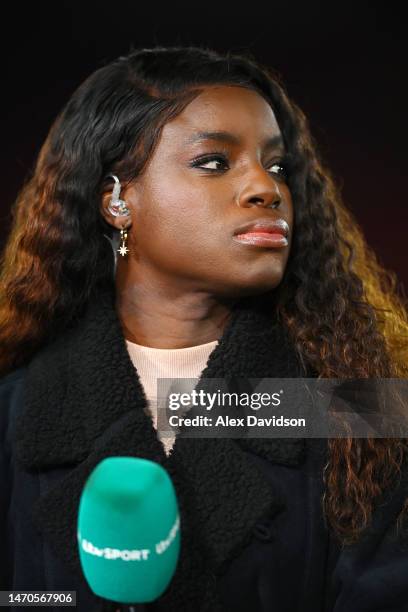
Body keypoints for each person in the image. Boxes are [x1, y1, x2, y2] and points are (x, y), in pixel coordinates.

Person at [1, 45, 408, 612]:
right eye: (214, 162)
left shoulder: (362, 410)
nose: (266, 189)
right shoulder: (14, 414)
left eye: (277, 166)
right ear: (118, 201)